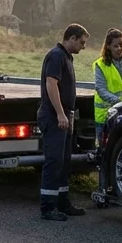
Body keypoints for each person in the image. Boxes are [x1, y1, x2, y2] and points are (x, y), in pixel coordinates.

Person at [38, 23, 89, 221]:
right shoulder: (56, 56)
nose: (83, 47)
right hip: (53, 116)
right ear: (72, 38)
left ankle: (62, 202)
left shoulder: (66, 58)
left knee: (64, 162)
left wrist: (68, 115)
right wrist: (60, 113)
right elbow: (51, 84)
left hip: (63, 116)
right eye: (82, 42)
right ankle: (48, 207)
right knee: (54, 161)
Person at [92, 28, 122, 146]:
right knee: (104, 148)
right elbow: (101, 89)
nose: (120, 48)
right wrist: (119, 102)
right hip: (106, 114)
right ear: (108, 46)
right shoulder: (100, 64)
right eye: (116, 46)